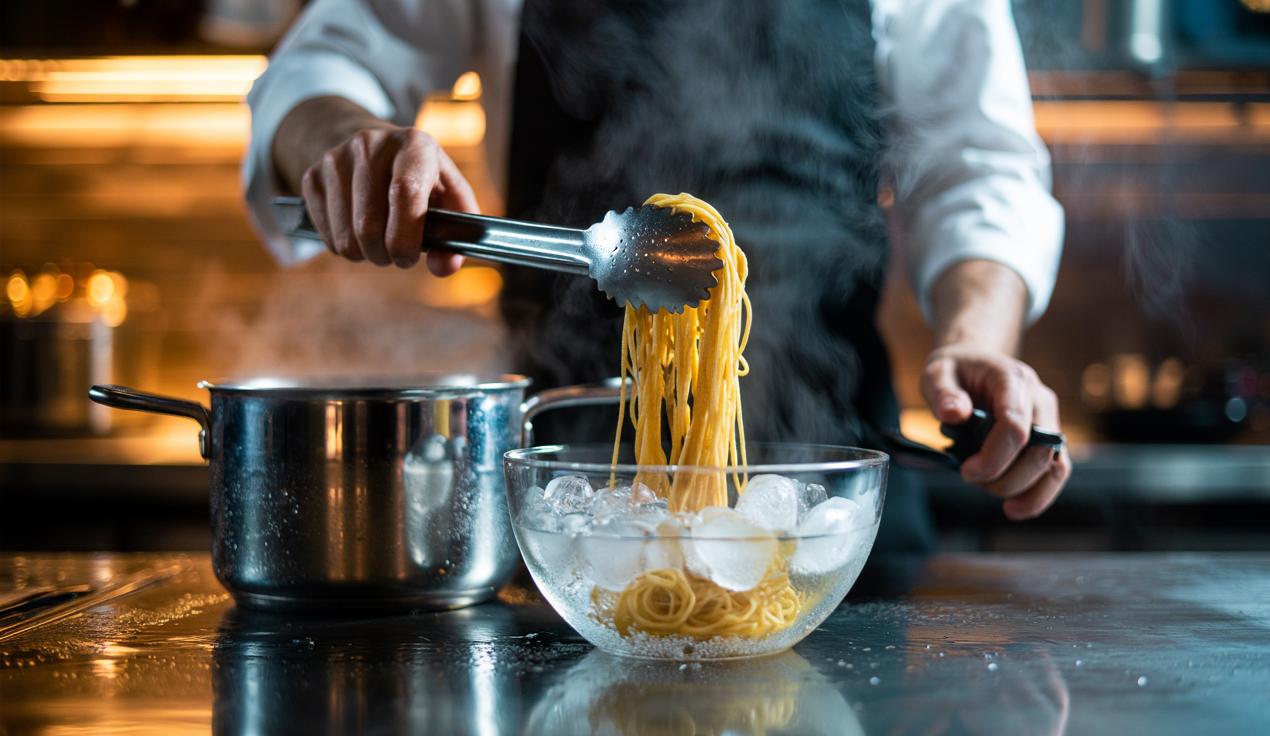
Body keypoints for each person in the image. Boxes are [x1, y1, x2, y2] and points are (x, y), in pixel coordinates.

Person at [244, 0, 1071, 552]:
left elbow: (980, 166)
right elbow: (319, 70)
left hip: (834, 512)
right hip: (566, 503)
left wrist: (974, 340)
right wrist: (350, 143)